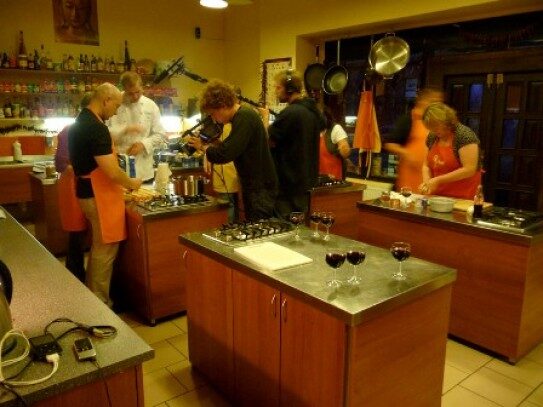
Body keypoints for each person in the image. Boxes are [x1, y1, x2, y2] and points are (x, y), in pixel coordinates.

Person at [68, 83, 142, 306]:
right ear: (106, 100)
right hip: (98, 196)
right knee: (105, 248)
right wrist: (132, 183)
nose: (116, 111)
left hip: (86, 193)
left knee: (99, 246)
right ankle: (100, 302)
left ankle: (94, 296)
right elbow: (111, 171)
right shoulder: (95, 128)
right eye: (116, 106)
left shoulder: (80, 122)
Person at [188, 79, 277, 221]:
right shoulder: (241, 117)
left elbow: (225, 154)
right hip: (256, 185)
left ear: (222, 105)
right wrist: (215, 143)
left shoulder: (244, 117)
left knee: (260, 228)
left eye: (213, 114)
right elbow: (233, 146)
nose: (214, 119)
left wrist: (203, 147)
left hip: (260, 188)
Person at [260, 69, 325, 219]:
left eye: (278, 87)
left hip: (288, 185)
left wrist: (265, 118)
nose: (276, 92)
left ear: (289, 89)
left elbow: (267, 141)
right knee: (300, 226)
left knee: (285, 226)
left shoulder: (290, 113)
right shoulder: (312, 112)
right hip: (306, 183)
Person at [54, 92, 92, 282]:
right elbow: (60, 163)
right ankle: (75, 275)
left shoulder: (78, 128)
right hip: (72, 185)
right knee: (77, 232)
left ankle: (76, 272)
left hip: (76, 183)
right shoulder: (72, 130)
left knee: (78, 233)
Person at [107, 71, 166, 182]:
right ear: (123, 89)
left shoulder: (151, 106)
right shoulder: (114, 104)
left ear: (142, 87)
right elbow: (104, 134)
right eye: (130, 93)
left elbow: (160, 134)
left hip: (144, 170)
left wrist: (143, 144)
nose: (135, 96)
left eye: (138, 92)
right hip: (120, 169)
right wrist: (125, 130)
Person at [384, 88, 444, 192]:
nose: (438, 105)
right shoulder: (408, 120)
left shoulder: (437, 123)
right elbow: (390, 144)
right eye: (433, 101)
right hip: (409, 182)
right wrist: (408, 154)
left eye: (440, 102)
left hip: (431, 182)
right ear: (422, 102)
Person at [419, 102, 482, 199]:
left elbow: (469, 169)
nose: (433, 131)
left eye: (436, 127)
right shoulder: (432, 136)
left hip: (463, 196)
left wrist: (438, 180)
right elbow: (426, 165)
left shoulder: (464, 135)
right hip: (437, 196)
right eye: (431, 128)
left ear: (446, 121)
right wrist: (427, 182)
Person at [205, 122, 240, 223]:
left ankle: (230, 228)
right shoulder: (233, 124)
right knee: (233, 203)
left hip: (226, 170)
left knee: (228, 204)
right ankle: (234, 226)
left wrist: (207, 149)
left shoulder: (225, 126)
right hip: (231, 171)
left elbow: (225, 148)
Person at [320, 107, 351, 180]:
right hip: (319, 176)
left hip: (334, 176)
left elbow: (346, 152)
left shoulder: (336, 129)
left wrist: (344, 148)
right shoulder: (316, 130)